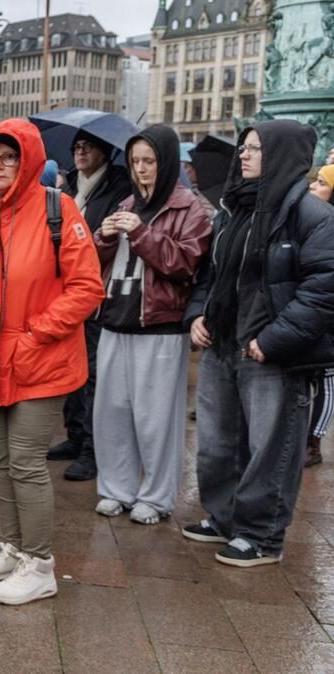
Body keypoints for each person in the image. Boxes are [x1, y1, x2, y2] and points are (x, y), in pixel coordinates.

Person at [0, 119, 103, 606]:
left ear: (27, 160)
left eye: (9, 157)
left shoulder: (60, 209)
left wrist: (37, 334)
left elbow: (86, 287)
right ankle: (13, 549)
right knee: (3, 462)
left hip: (39, 362)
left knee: (28, 463)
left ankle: (40, 563)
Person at [183, 120, 334, 567]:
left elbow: (324, 289)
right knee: (216, 443)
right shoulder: (232, 210)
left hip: (271, 351)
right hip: (223, 343)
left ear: (282, 156)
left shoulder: (312, 216)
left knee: (272, 449)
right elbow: (209, 276)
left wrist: (273, 339)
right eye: (243, 148)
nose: (242, 156)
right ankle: (225, 517)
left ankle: (262, 535)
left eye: (254, 149)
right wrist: (197, 316)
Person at [90, 126, 212, 524]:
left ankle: (157, 496)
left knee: (156, 417)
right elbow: (97, 262)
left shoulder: (189, 208)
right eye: (136, 162)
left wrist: (141, 234)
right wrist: (103, 238)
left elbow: (185, 263)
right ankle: (115, 488)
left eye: (150, 162)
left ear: (167, 163)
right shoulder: (126, 201)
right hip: (115, 319)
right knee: (112, 412)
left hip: (160, 325)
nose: (141, 170)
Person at [51, 130, 134, 482]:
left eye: (88, 147)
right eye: (77, 148)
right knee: (70, 371)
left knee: (93, 375)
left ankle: (92, 449)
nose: (81, 153)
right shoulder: (69, 187)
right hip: (63, 291)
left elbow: (105, 239)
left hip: (97, 292)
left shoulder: (119, 188)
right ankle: (74, 436)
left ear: (105, 152)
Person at [304, 163, 334, 468]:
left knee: (326, 381)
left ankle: (313, 442)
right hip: (314, 317)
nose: (313, 187)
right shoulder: (310, 222)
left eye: (321, 183)